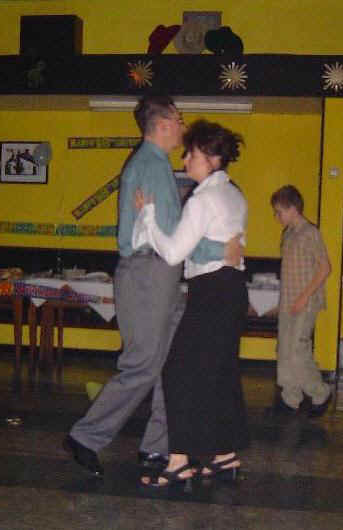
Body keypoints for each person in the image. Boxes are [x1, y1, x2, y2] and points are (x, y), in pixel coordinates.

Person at [63, 95, 240, 477]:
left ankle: (158, 446)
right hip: (148, 272)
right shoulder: (152, 166)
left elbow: (171, 231)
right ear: (162, 124)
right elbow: (175, 235)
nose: (183, 126)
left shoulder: (154, 165)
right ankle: (86, 437)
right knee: (143, 364)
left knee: (170, 363)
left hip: (158, 273)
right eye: (178, 119)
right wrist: (221, 249)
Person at [132, 119, 250, 487]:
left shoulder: (202, 199)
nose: (185, 160)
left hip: (210, 292)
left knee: (177, 372)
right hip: (233, 289)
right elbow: (223, 246)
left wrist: (148, 218)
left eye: (192, 155)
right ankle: (225, 455)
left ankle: (179, 460)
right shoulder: (235, 194)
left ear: (212, 158)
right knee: (220, 373)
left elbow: (172, 253)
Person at [270, 185, 332, 417]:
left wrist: (303, 297)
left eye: (279, 212)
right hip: (288, 302)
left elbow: (325, 268)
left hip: (305, 302)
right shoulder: (288, 234)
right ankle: (291, 398)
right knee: (284, 349)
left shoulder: (310, 233)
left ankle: (320, 393)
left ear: (293, 209)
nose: (277, 217)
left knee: (297, 350)